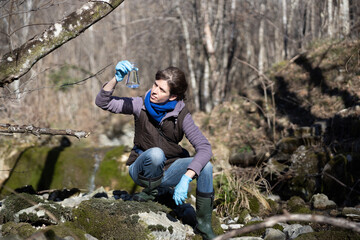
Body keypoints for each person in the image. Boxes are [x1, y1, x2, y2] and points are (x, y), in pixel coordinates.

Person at [95, 60, 216, 239]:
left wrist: (186, 178)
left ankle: (204, 226)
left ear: (173, 96)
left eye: (161, 90)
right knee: (156, 153)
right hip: (141, 169)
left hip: (168, 171)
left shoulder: (182, 116)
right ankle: (149, 194)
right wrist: (116, 79)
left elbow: (205, 148)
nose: (155, 91)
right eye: (155, 85)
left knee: (207, 166)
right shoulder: (139, 104)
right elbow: (102, 102)